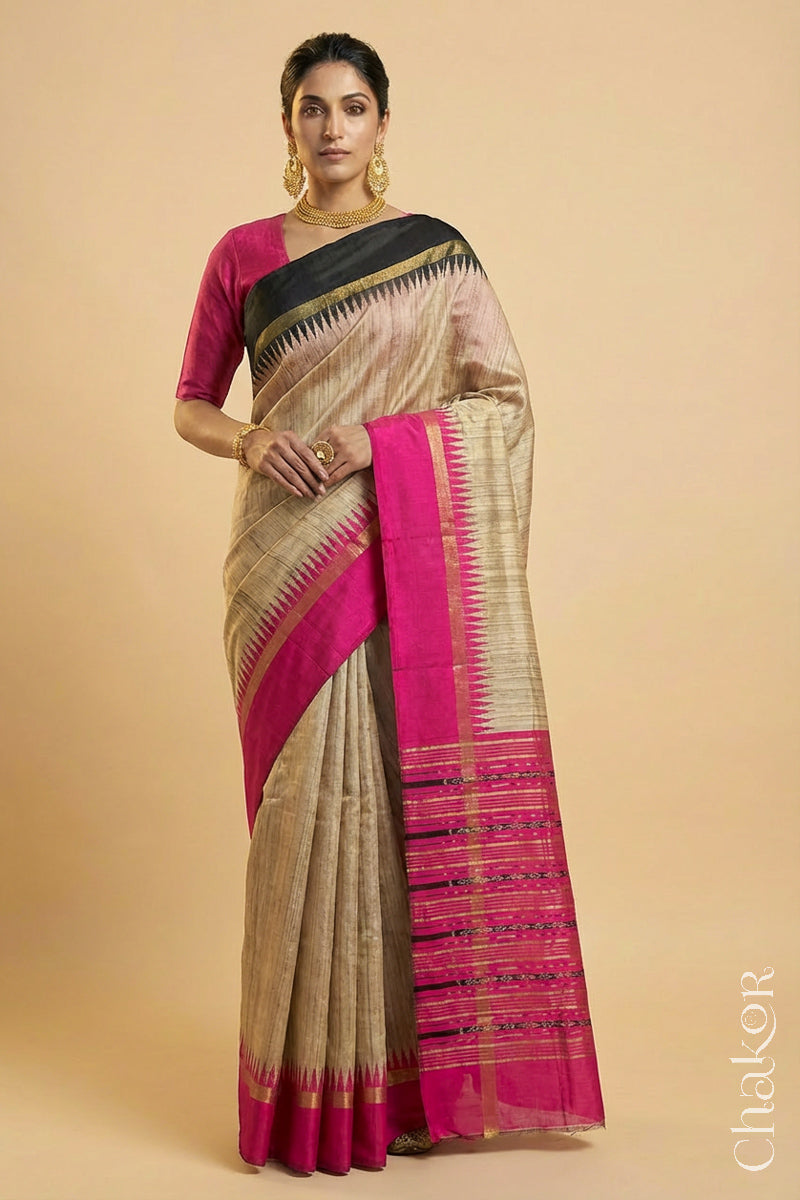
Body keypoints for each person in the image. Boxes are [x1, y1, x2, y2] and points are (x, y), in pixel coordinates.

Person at [175, 31, 604, 1176]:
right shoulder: (243, 256)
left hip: (387, 550)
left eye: (351, 108)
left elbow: (500, 402)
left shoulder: (435, 255)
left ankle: (399, 1092)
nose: (330, 130)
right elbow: (188, 406)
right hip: (280, 567)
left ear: (380, 125)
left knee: (394, 808)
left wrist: (375, 442)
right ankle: (305, 1095)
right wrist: (256, 437)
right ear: (285, 125)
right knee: (300, 821)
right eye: (310, 109)